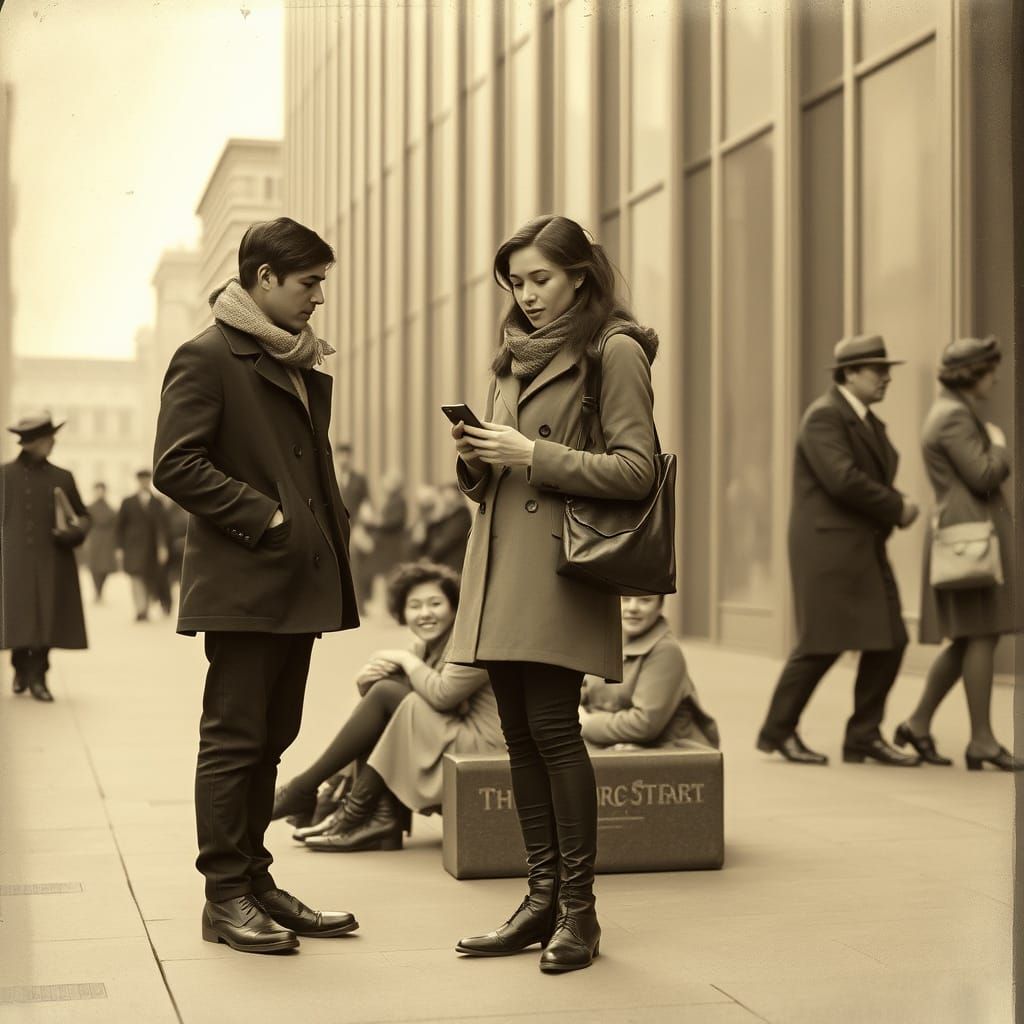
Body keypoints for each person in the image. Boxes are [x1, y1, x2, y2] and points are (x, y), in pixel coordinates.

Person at [449, 214, 660, 973]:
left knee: (554, 729)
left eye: (540, 278)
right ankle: (539, 899)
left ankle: (579, 911)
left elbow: (639, 471)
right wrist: (477, 459)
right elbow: (492, 476)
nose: (527, 294)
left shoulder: (616, 351)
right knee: (518, 734)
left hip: (563, 573)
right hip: (501, 569)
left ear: (580, 274)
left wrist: (533, 454)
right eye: (517, 281)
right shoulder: (510, 358)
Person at [152, 217, 360, 956]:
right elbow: (175, 465)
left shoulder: (288, 357)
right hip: (246, 582)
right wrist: (268, 519)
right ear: (264, 279)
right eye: (309, 284)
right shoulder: (208, 355)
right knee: (235, 740)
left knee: (273, 736)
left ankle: (256, 879)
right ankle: (225, 895)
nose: (319, 299)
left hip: (292, 583)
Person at [756, 335, 921, 768]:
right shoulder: (825, 416)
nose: (887, 378)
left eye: (888, 369)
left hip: (859, 546)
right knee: (820, 644)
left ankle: (863, 736)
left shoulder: (862, 420)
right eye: (878, 369)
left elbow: (854, 478)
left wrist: (892, 506)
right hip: (828, 550)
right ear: (850, 373)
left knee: (892, 640)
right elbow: (842, 479)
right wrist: (898, 505)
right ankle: (779, 732)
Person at [273, 561, 502, 851]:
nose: (425, 613)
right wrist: (364, 684)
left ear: (455, 607)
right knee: (387, 695)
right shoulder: (424, 648)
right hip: (455, 734)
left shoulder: (470, 641)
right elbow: (398, 698)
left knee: (388, 695)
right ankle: (372, 816)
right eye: (415, 606)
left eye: (435, 603)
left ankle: (320, 796)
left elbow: (444, 696)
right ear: (403, 613)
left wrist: (404, 662)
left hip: (485, 747)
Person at [898, 337, 1021, 771]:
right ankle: (982, 741)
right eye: (990, 369)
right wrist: (1000, 444)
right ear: (973, 374)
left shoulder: (950, 410)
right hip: (969, 540)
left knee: (970, 635)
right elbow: (984, 475)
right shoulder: (953, 416)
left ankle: (917, 723)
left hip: (964, 538)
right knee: (981, 633)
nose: (996, 377)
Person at [0, 413, 90, 702]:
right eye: (48, 438)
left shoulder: (62, 477)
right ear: (33, 442)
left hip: (53, 559)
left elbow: (84, 517)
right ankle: (19, 667)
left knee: (46, 618)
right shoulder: (4, 475)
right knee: (17, 618)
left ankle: (39, 676)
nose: (53, 443)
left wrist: (73, 534)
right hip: (12, 562)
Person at [581, 595, 719, 751]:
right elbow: (584, 689)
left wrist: (585, 722)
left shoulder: (666, 651)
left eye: (645, 600)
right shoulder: (607, 639)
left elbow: (643, 724)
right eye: (625, 599)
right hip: (615, 752)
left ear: (660, 606)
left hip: (667, 760)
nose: (633, 608)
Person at [116, 470, 169, 621]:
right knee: (135, 577)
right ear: (138, 481)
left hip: (151, 549)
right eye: (141, 480)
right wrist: (119, 548)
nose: (144, 482)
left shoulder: (157, 502)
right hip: (132, 547)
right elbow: (119, 526)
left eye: (146, 479)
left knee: (148, 579)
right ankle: (140, 609)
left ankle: (144, 606)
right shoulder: (128, 501)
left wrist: (162, 547)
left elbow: (162, 527)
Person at [424, 482, 473, 574]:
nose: (446, 501)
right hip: (445, 566)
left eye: (449, 498)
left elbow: (446, 541)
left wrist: (429, 557)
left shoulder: (462, 515)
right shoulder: (446, 517)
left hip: (454, 567)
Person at [84, 482, 118, 602]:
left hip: (107, 541)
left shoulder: (110, 508)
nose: (100, 492)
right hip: (94, 540)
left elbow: (115, 524)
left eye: (102, 490)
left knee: (105, 569)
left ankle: (100, 591)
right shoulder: (89, 508)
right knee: (94, 569)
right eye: (97, 490)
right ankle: (97, 592)